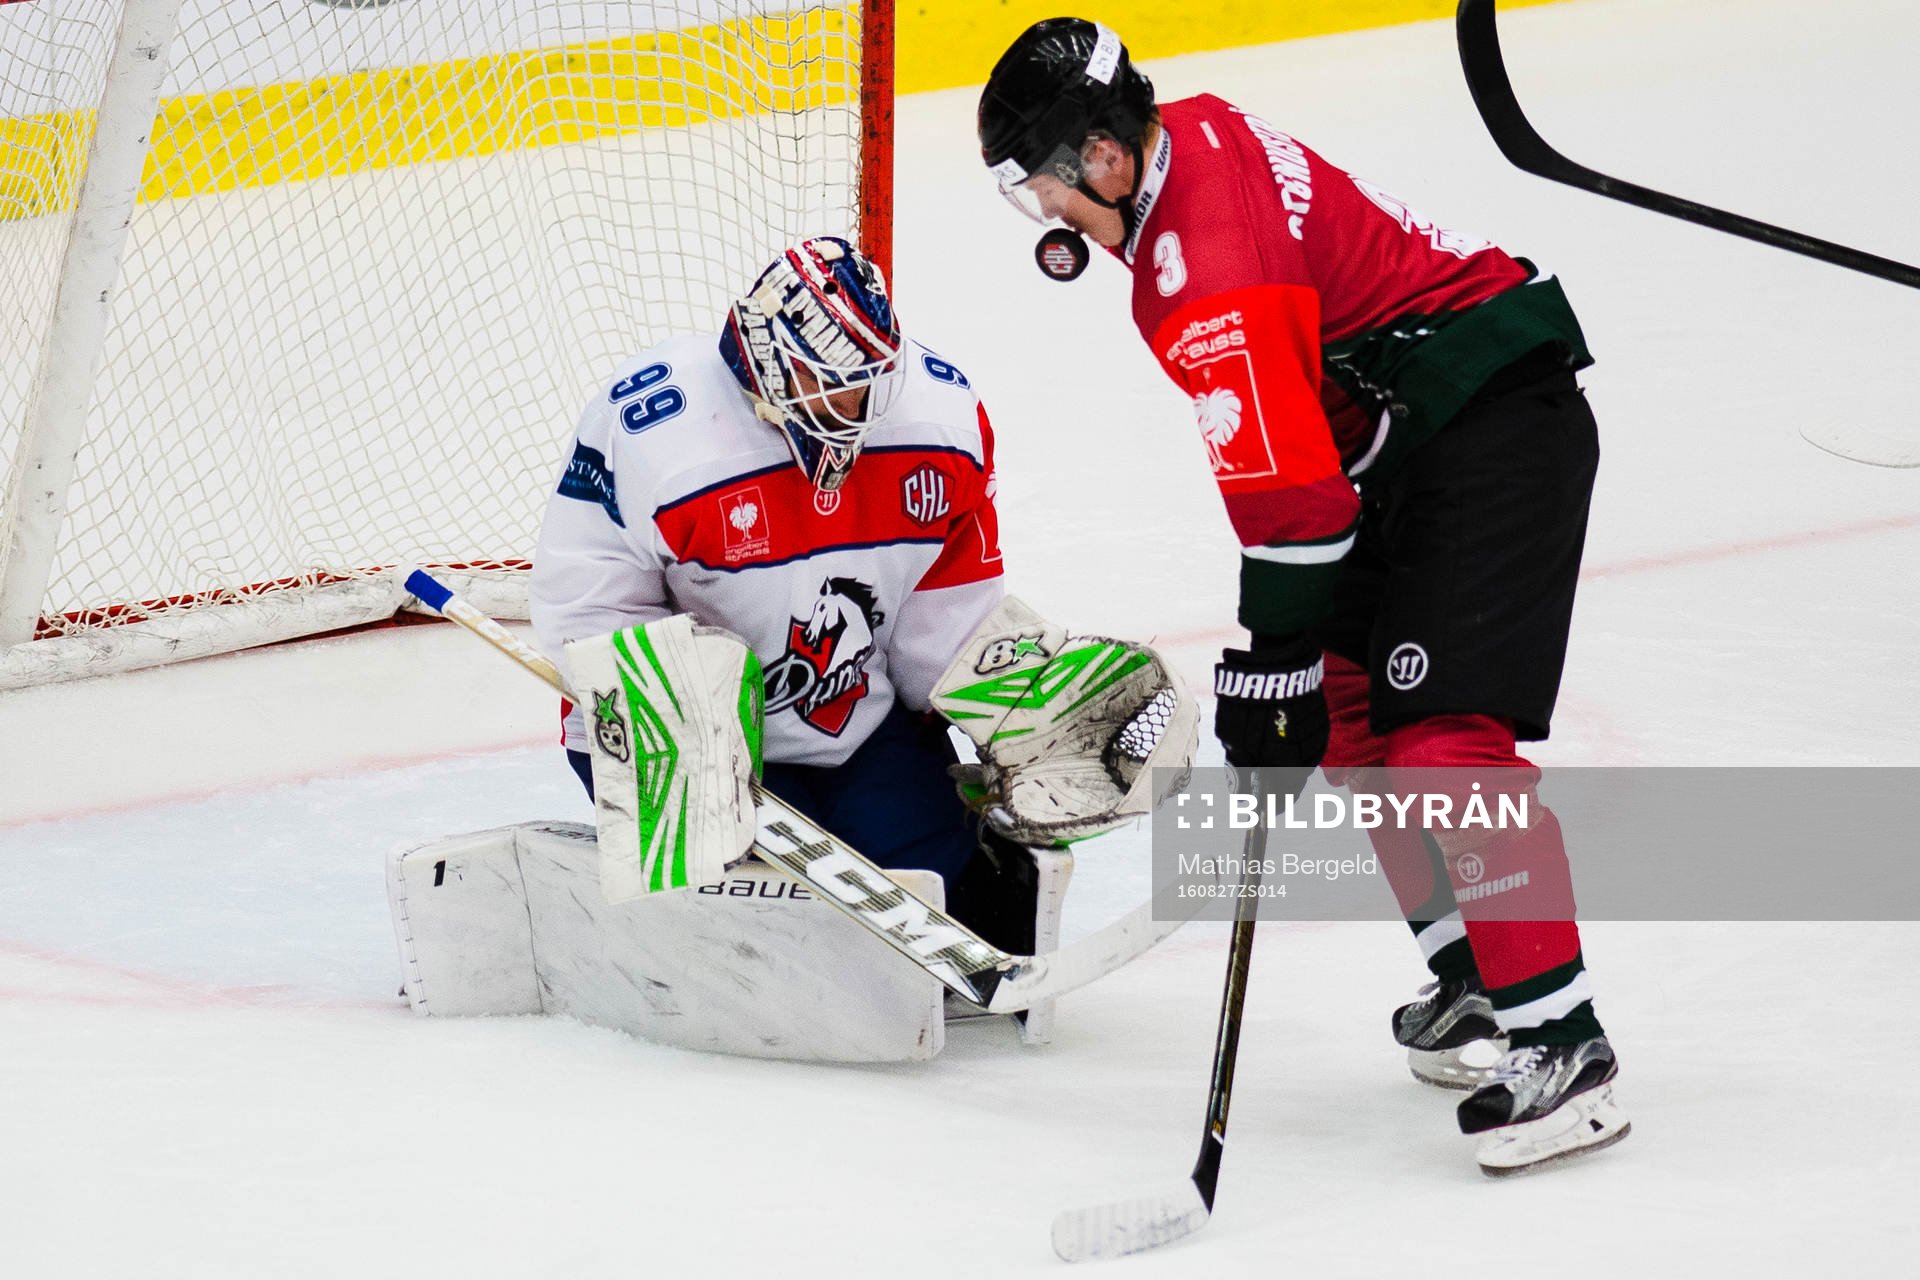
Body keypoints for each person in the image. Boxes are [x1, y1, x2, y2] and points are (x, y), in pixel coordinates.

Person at [977, 19, 1628, 1174]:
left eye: (1044, 189)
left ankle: (1563, 1044)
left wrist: (1267, 649)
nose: (1053, 222)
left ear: (1103, 158)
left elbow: (1294, 499)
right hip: (1416, 429)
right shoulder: (1199, 133)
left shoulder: (1201, 270)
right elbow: (1309, 457)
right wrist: (1287, 665)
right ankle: (1476, 974)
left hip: (1492, 424)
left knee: (1440, 745)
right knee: (1344, 709)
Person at [527, 236, 1036, 944]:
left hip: (855, 719)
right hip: (679, 728)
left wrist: (1005, 709)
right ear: (767, 364)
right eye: (829, 382)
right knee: (744, 923)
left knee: (935, 886)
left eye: (865, 379)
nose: (854, 403)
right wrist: (686, 702)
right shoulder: (656, 428)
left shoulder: (941, 423)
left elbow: (948, 612)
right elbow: (584, 602)